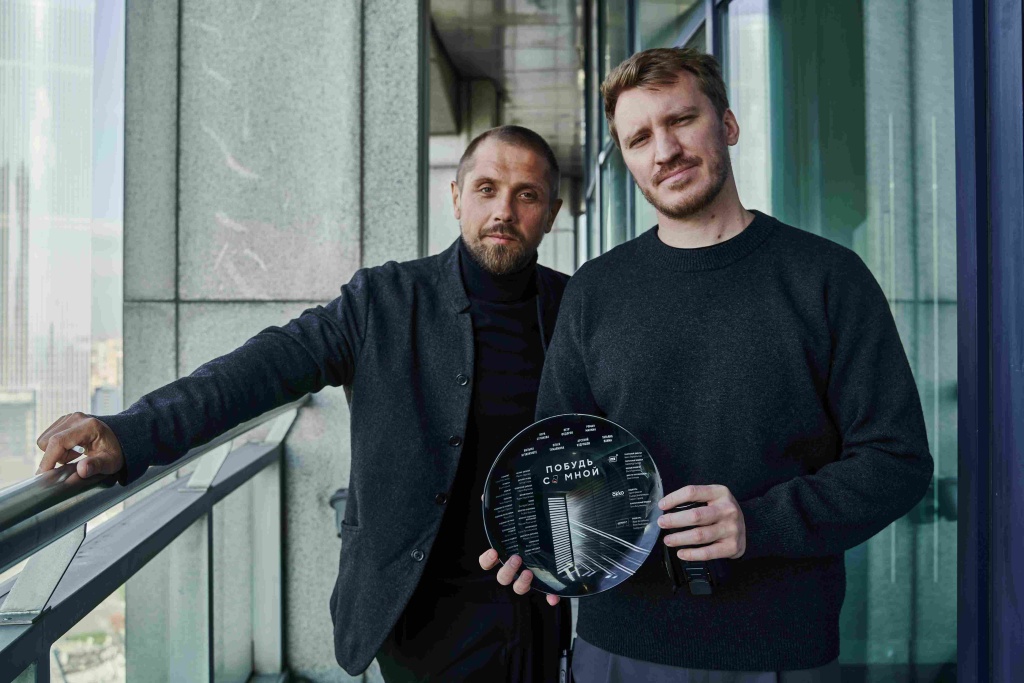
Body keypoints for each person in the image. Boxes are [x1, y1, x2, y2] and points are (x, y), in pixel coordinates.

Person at [35, 125, 572, 682]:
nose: (503, 210)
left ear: (551, 213)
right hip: (416, 613)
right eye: (486, 189)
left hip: (534, 604)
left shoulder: (576, 309)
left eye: (526, 194)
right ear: (457, 197)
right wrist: (131, 431)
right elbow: (263, 368)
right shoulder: (384, 300)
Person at [481, 48, 933, 682]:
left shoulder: (827, 278)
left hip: (780, 652)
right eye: (639, 138)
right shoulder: (595, 292)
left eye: (681, 120)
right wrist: (541, 539)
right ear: (628, 160)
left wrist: (758, 523)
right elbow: (558, 457)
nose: (664, 151)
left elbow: (896, 460)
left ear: (727, 124)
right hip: (619, 648)